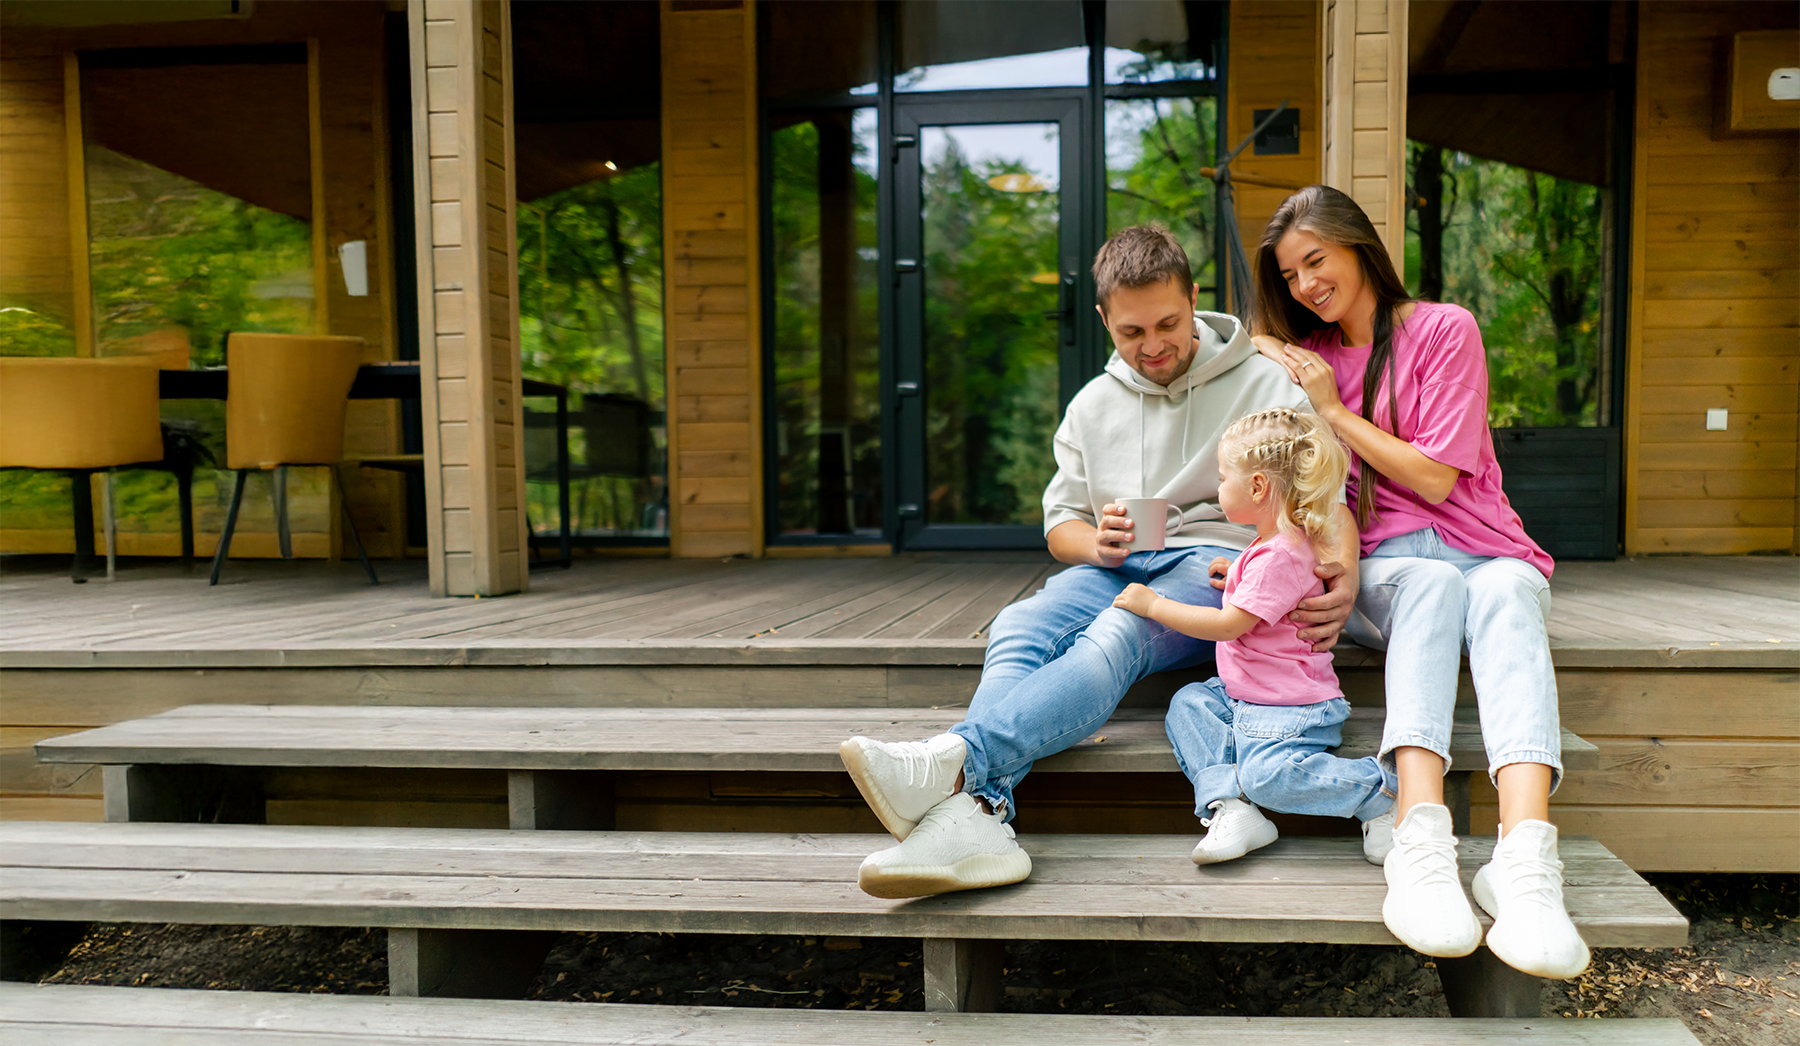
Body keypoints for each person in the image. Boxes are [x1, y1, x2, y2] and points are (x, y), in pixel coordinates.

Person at [837, 223, 1360, 901]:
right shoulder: (1092, 404)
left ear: (1194, 297)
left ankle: (959, 768)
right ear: (1103, 320)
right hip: (1117, 561)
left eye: (1168, 324)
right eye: (1131, 333)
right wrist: (1098, 543)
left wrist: (1341, 573)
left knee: (1117, 631)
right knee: (1019, 624)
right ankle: (981, 818)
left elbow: (1330, 494)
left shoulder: (1264, 383)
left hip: (1216, 566)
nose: (1153, 346)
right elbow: (1062, 526)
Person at [1250, 184, 1589, 979]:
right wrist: (1268, 346)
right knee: (1435, 591)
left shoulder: (1443, 330)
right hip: (1392, 566)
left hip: (1483, 546)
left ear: (1358, 246)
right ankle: (1420, 838)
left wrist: (1335, 411)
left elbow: (1436, 478)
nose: (1304, 285)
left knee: (1504, 593)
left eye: (1315, 261)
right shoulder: (1311, 360)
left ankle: (1525, 862)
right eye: (1290, 275)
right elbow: (1231, 346)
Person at [1113, 407, 1394, 865]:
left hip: (1291, 709)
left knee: (1267, 775)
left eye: (1224, 478)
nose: (1218, 488)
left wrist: (1154, 606)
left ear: (1259, 486)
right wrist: (1236, 579)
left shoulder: (1280, 554)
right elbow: (1265, 596)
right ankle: (1233, 806)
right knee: (1190, 704)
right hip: (1248, 697)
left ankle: (1379, 795)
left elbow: (1229, 626)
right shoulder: (1271, 544)